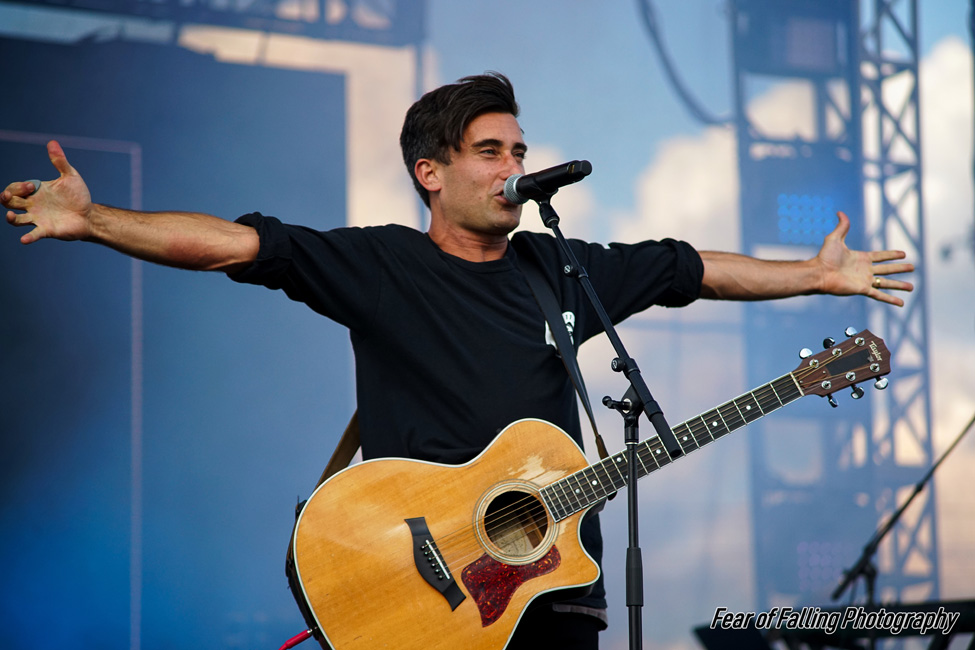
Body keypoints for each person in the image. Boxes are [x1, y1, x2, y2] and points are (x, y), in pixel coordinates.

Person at [3, 72, 912, 649]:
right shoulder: (382, 265)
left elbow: (691, 269)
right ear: (429, 172)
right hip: (419, 592)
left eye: (517, 151)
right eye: (489, 152)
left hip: (553, 597)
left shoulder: (559, 268)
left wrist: (813, 276)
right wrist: (97, 221)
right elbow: (235, 245)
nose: (511, 167)